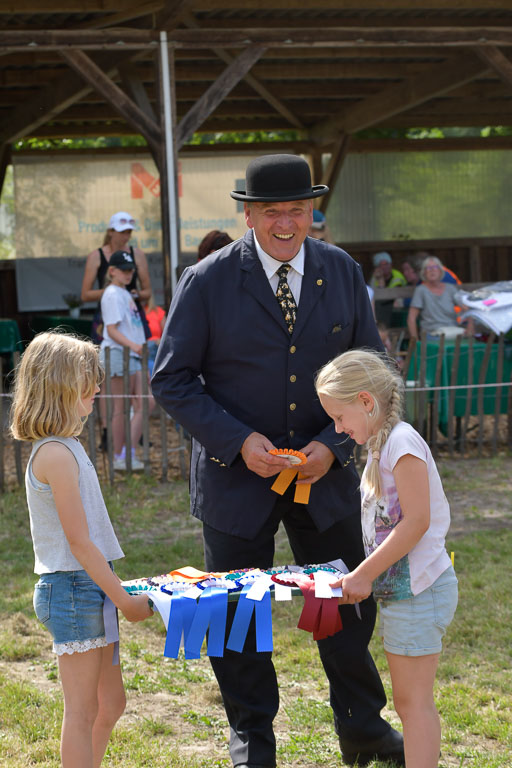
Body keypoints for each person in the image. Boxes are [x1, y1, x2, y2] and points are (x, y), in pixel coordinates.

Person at [151, 154, 405, 768]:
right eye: (272, 211)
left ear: (312, 211)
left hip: (326, 481)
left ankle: (364, 728)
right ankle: (251, 742)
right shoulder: (206, 281)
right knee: (236, 616)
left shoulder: (341, 271)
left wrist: (336, 444)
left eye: (297, 210)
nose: (287, 223)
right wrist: (239, 442)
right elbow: (172, 380)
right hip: (237, 484)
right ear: (248, 213)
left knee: (346, 604)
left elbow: (374, 372)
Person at [9, 331, 152, 768]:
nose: (97, 388)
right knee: (83, 709)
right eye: (88, 379)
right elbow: (78, 542)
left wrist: (113, 593)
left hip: (88, 585)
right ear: (59, 386)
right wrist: (123, 598)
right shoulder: (53, 453)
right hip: (72, 591)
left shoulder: (67, 445)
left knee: (112, 704)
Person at [315, 348, 458, 768]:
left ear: (366, 401)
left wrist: (363, 576)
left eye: (340, 418)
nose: (338, 429)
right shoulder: (382, 446)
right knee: (407, 702)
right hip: (405, 594)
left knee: (414, 706)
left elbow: (415, 522)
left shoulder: (402, 443)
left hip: (422, 591)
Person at [81, 211, 152, 450]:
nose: (125, 235)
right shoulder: (99, 260)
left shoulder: (135, 259)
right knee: (115, 401)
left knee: (136, 402)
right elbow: (86, 295)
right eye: (121, 231)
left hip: (129, 334)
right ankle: (114, 444)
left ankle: (125, 446)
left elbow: (146, 292)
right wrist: (114, 291)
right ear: (111, 231)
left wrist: (128, 293)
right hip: (114, 335)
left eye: (129, 231)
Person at [101, 250, 155, 471]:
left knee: (145, 402)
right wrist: (133, 346)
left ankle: (127, 453)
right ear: (112, 271)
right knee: (121, 408)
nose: (128, 273)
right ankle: (119, 456)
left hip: (133, 354)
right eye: (124, 270)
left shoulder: (123, 293)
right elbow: (111, 330)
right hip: (119, 353)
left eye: (131, 270)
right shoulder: (112, 294)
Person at [407, 256, 473, 341]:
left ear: (440, 271)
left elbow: (467, 309)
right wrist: (415, 341)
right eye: (428, 268)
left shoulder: (450, 289)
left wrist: (470, 328)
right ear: (424, 273)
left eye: (435, 267)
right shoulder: (421, 290)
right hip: (432, 334)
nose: (432, 270)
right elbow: (411, 318)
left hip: (452, 331)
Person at [370, 252, 406, 325]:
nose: (384, 267)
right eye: (381, 265)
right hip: (381, 307)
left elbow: (389, 297)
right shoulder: (374, 277)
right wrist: (377, 278)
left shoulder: (397, 276)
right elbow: (372, 296)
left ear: (391, 265)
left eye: (386, 264)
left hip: (397, 308)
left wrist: (381, 280)